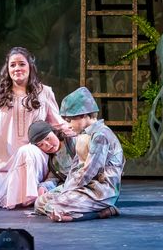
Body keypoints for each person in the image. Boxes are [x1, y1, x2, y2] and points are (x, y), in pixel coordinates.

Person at [0, 47, 69, 209]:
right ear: (7, 69)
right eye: (12, 65)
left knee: (26, 151)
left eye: (21, 64)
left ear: (30, 67)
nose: (17, 68)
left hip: (35, 158)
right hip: (6, 163)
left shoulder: (44, 92)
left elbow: (58, 124)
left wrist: (81, 131)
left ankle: (35, 197)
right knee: (7, 202)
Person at [35, 87, 124, 222]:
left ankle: (104, 211)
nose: (68, 125)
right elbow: (76, 168)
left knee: (55, 206)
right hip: (84, 187)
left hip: (101, 190)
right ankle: (73, 207)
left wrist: (66, 192)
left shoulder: (100, 135)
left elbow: (89, 172)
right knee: (40, 203)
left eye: (69, 120)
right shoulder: (84, 135)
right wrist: (66, 188)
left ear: (83, 115)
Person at [27, 120, 76, 196]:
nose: (47, 145)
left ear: (54, 132)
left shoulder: (73, 143)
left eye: (48, 138)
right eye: (41, 144)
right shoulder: (52, 161)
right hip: (70, 188)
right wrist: (44, 187)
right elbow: (53, 178)